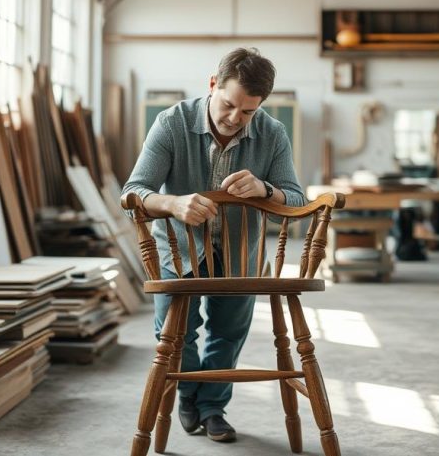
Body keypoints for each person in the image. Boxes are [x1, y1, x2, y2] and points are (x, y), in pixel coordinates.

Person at [122, 47, 305, 443]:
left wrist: (265, 189)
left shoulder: (272, 133)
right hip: (179, 250)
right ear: (212, 85)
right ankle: (190, 395)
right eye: (228, 105)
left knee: (228, 332)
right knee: (175, 335)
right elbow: (134, 192)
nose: (234, 119)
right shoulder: (171, 123)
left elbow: (296, 199)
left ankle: (212, 409)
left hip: (240, 253)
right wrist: (173, 203)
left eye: (248, 112)